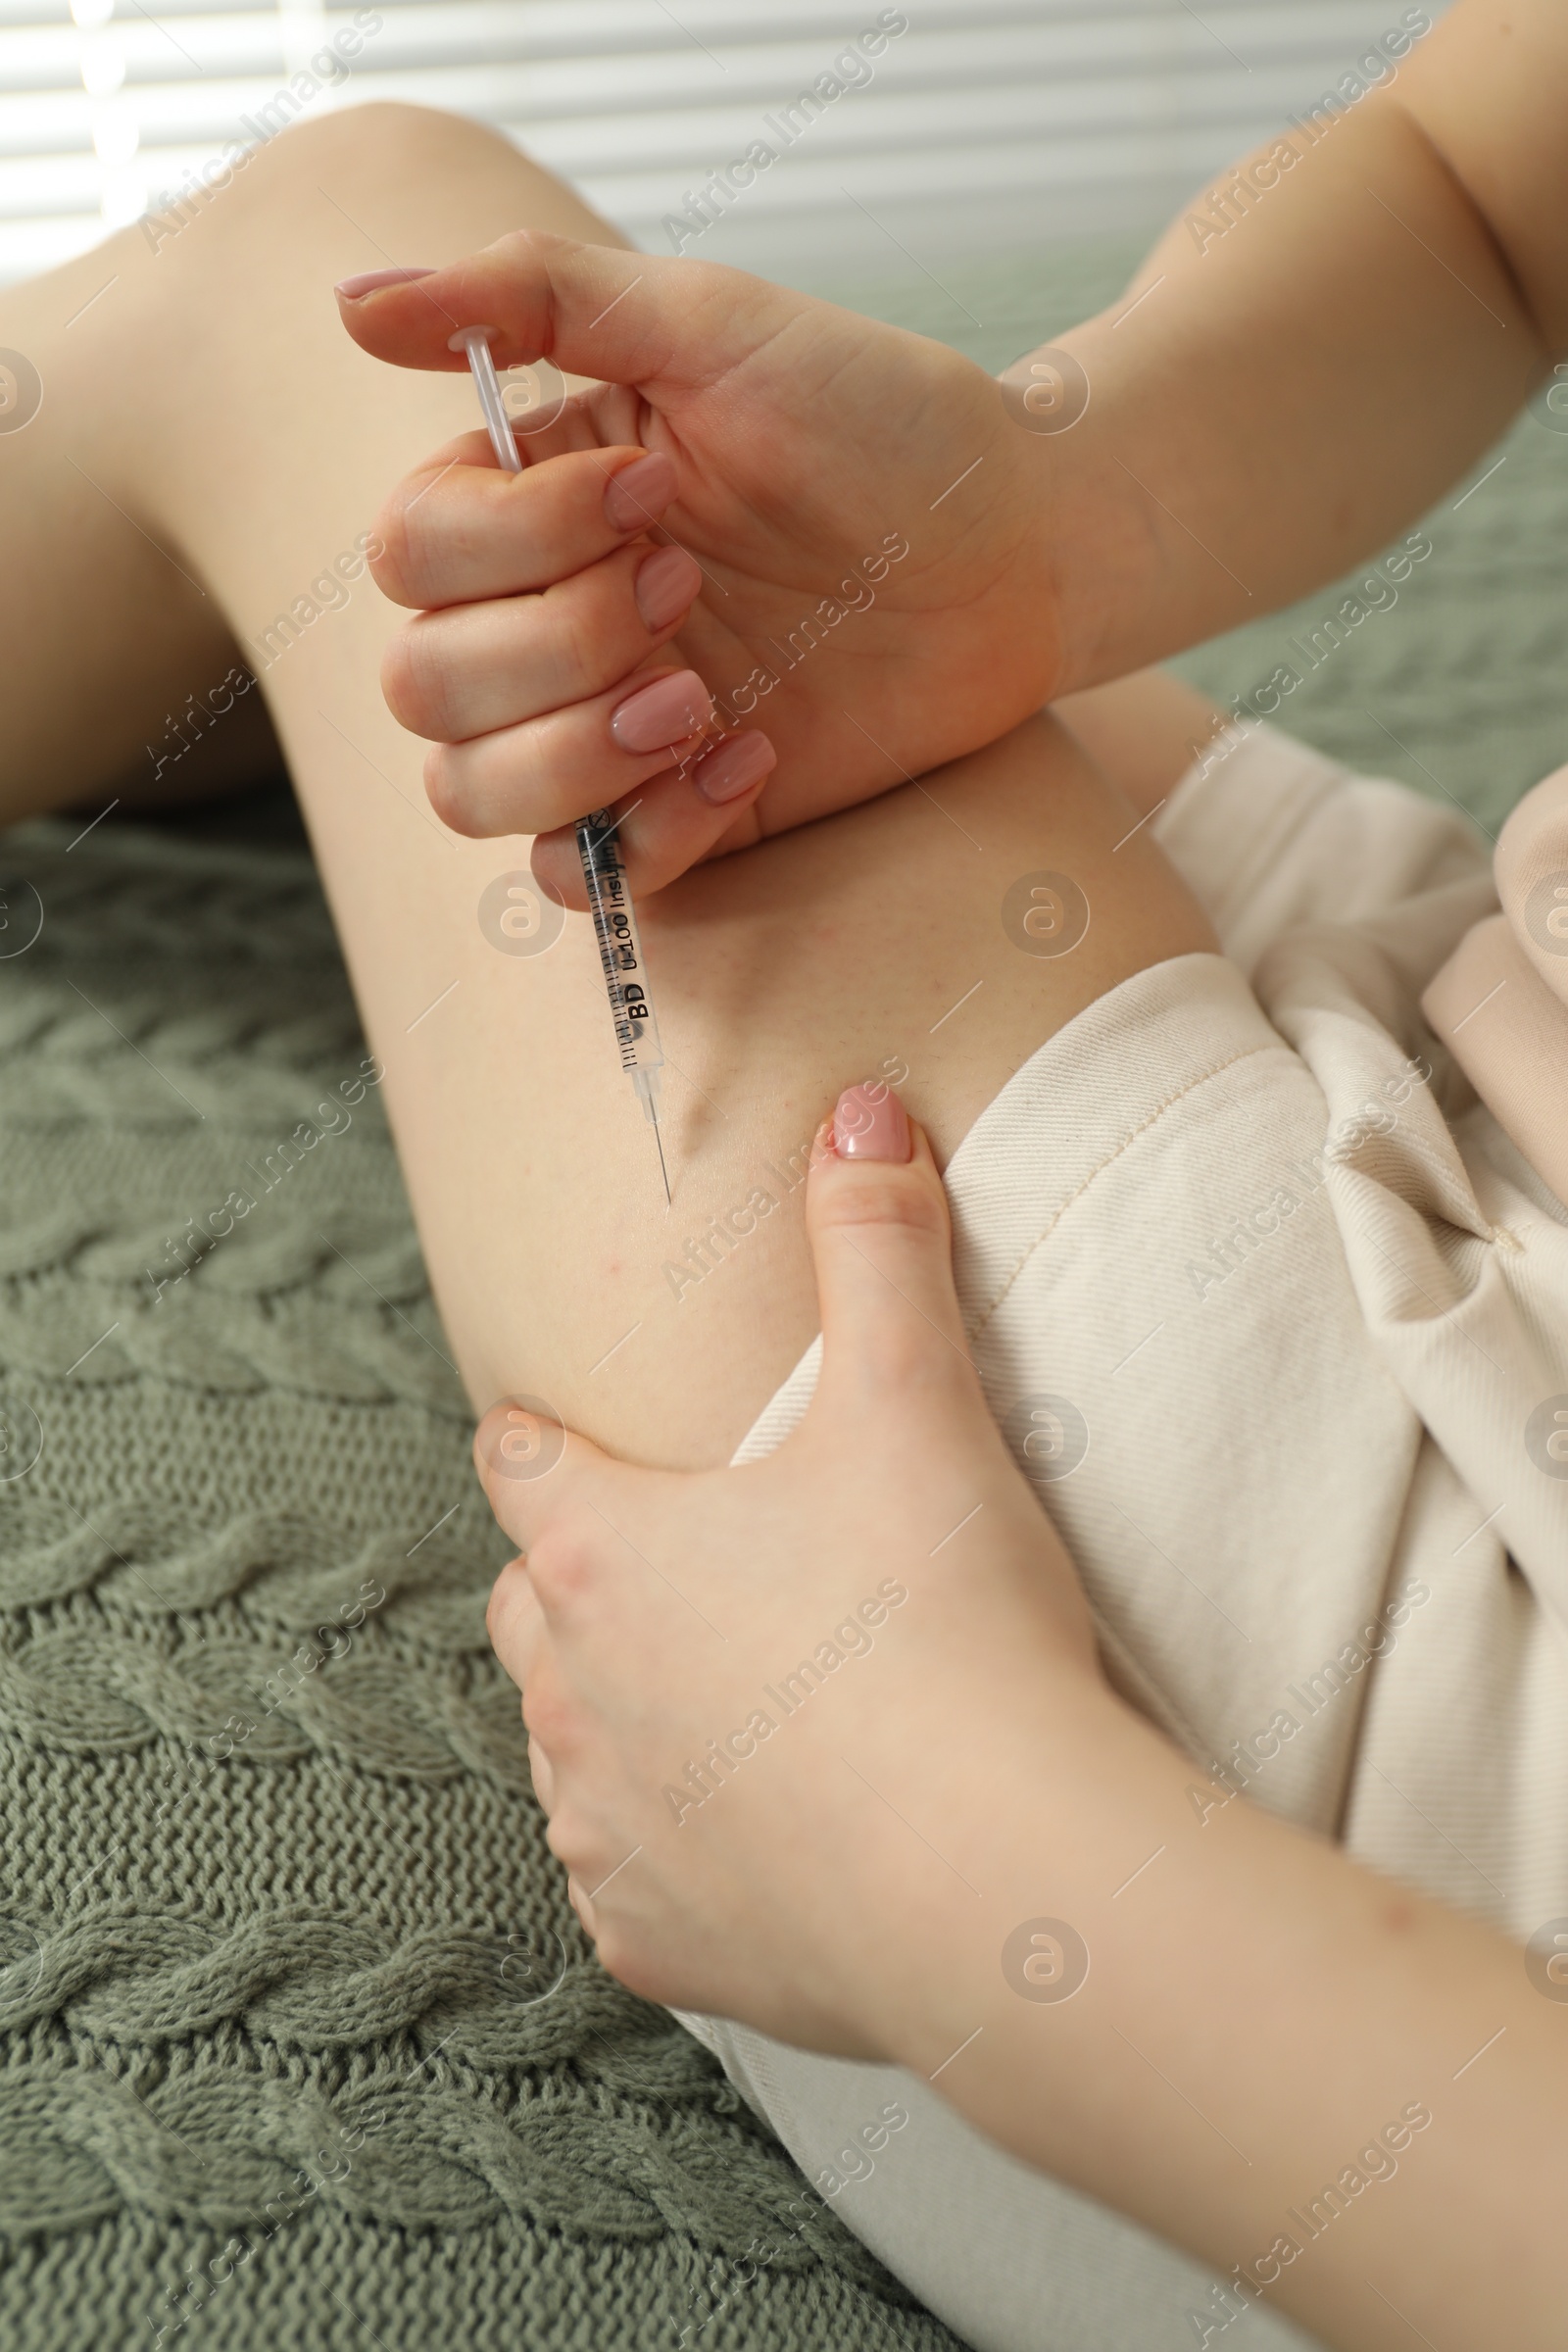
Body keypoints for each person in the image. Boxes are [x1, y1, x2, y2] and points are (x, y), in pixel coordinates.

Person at [0, 0, 1562, 2344]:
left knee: (325, 258)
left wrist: (958, 1869)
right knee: (570, 547)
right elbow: (1492, 202)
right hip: (1491, 1021)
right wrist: (1040, 518)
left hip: (1368, 1946)